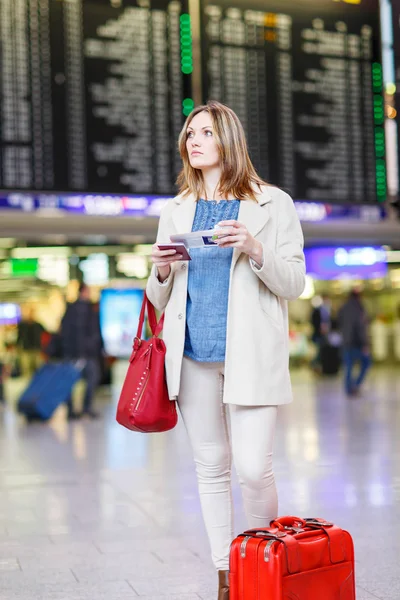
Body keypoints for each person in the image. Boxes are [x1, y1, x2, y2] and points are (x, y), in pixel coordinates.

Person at [146, 100, 305, 599]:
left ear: (229, 141)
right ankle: (227, 577)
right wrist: (162, 269)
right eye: (189, 133)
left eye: (206, 133)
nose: (193, 141)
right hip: (191, 355)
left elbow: (295, 281)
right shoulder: (175, 209)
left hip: (249, 355)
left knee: (254, 467)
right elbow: (156, 297)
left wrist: (254, 250)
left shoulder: (272, 204)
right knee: (211, 468)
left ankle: (263, 561)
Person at [60, 283, 102, 419]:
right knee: (86, 380)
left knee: (74, 381)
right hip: (81, 353)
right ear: (83, 291)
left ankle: (76, 409)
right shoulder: (83, 310)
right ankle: (82, 408)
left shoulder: (76, 309)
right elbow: (88, 333)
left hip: (79, 353)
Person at [338, 290, 371, 396]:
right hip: (356, 343)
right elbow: (360, 327)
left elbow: (339, 324)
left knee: (348, 366)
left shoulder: (343, 308)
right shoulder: (359, 308)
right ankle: (355, 385)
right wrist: (365, 343)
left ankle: (349, 389)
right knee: (366, 363)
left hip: (345, 342)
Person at [16, 309, 45, 377]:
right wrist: (17, 346)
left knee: (37, 366)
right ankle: (27, 380)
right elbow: (19, 336)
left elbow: (45, 334)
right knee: (26, 367)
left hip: (36, 348)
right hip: (26, 348)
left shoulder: (38, 325)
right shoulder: (22, 325)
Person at [310, 294, 331, 372]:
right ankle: (314, 365)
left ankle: (318, 367)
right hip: (318, 335)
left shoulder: (324, 310)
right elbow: (316, 323)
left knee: (321, 352)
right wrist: (320, 329)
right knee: (319, 352)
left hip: (321, 335)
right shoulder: (317, 311)